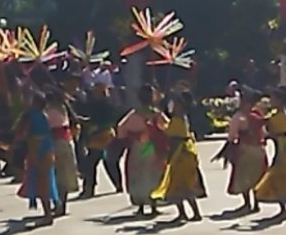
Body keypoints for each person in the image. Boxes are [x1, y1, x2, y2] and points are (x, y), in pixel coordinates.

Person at [150, 90, 206, 222]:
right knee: (182, 186)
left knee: (178, 186)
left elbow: (172, 135)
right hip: (185, 154)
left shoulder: (177, 119)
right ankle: (188, 213)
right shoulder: (181, 118)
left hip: (180, 155)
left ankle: (190, 213)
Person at [116, 84, 168, 216]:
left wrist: (132, 135)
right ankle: (153, 204)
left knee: (138, 175)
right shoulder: (156, 114)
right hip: (153, 146)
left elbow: (120, 129)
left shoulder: (134, 114)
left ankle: (140, 206)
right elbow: (166, 127)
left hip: (137, 147)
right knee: (153, 174)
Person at [15, 90, 59, 225]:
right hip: (47, 147)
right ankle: (51, 210)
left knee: (41, 182)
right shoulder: (44, 115)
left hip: (37, 149)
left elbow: (19, 132)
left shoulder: (30, 115)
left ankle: (47, 215)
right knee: (46, 180)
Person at [253, 87, 286, 219]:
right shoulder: (275, 113)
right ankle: (285, 207)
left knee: (281, 176)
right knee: (278, 177)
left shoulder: (281, 115)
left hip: (284, 147)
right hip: (280, 145)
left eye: (274, 98)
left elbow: (273, 129)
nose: (271, 100)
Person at [226, 86, 267, 213]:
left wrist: (231, 145)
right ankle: (256, 203)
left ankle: (248, 203)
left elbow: (232, 135)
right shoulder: (258, 115)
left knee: (244, 177)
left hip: (245, 149)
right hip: (259, 148)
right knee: (256, 176)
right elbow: (264, 132)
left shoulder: (239, 117)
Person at [79, 82, 122, 198]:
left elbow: (102, 119)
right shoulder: (105, 103)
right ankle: (117, 184)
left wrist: (87, 122)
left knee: (94, 162)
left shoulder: (105, 104)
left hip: (102, 134)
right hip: (102, 135)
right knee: (106, 162)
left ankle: (89, 188)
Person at [44, 88, 79, 216]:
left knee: (54, 176)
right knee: (64, 176)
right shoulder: (64, 109)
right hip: (66, 142)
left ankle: (57, 204)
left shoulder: (47, 112)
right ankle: (62, 204)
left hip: (52, 144)